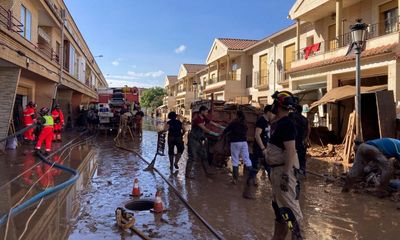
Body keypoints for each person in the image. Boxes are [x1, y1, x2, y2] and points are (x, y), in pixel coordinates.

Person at [265, 91, 303, 240]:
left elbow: (291, 151)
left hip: (282, 171)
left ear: (278, 105)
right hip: (277, 171)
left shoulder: (287, 124)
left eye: (275, 103)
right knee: (280, 209)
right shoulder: (280, 123)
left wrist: (286, 175)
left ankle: (297, 236)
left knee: (289, 210)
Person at [186, 106, 224, 179]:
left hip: (199, 139)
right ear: (202, 111)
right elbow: (204, 129)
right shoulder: (197, 119)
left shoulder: (204, 118)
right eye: (206, 112)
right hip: (193, 139)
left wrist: (221, 127)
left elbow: (212, 123)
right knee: (192, 157)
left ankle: (207, 172)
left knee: (204, 156)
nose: (207, 113)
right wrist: (214, 133)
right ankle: (188, 174)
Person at [223, 110, 252, 184]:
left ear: (237, 115)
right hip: (244, 142)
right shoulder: (244, 124)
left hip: (235, 142)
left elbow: (226, 131)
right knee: (247, 159)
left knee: (235, 160)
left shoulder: (233, 123)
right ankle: (252, 178)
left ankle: (235, 180)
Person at [252, 105, 274, 178]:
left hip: (266, 149)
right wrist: (263, 148)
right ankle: (249, 182)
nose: (274, 115)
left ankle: (273, 185)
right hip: (259, 149)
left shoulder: (268, 122)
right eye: (272, 113)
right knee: (255, 167)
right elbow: (257, 135)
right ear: (268, 112)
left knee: (268, 168)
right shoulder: (261, 121)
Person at [290, 104, 310, 176]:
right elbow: (308, 129)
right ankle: (303, 170)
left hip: (294, 141)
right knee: (302, 156)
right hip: (302, 141)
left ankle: (296, 172)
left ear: (295, 110)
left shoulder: (292, 117)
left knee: (294, 156)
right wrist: (306, 138)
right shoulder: (305, 119)